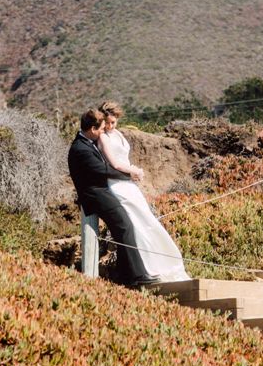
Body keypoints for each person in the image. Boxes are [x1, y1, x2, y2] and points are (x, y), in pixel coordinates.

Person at [96, 101, 191, 282]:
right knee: (135, 223)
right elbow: (114, 163)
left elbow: (123, 157)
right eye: (106, 123)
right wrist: (134, 170)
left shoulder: (118, 134)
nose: (109, 126)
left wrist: (131, 172)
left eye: (113, 122)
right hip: (116, 184)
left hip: (128, 183)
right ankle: (145, 267)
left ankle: (163, 262)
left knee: (147, 220)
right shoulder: (103, 137)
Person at [67, 109, 156, 286]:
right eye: (100, 129)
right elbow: (103, 170)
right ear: (92, 129)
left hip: (102, 191)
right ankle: (137, 276)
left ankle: (125, 277)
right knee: (124, 227)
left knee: (124, 228)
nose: (103, 132)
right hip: (96, 194)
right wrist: (128, 175)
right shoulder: (80, 149)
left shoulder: (86, 142)